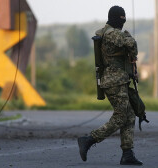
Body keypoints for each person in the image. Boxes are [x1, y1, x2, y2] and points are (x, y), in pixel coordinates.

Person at [77, 6, 143, 165]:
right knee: (121, 116)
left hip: (117, 80)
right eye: (122, 19)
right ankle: (89, 139)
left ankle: (127, 153)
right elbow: (132, 45)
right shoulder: (112, 33)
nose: (124, 22)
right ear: (117, 19)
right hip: (114, 81)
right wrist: (129, 37)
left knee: (129, 115)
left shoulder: (109, 32)